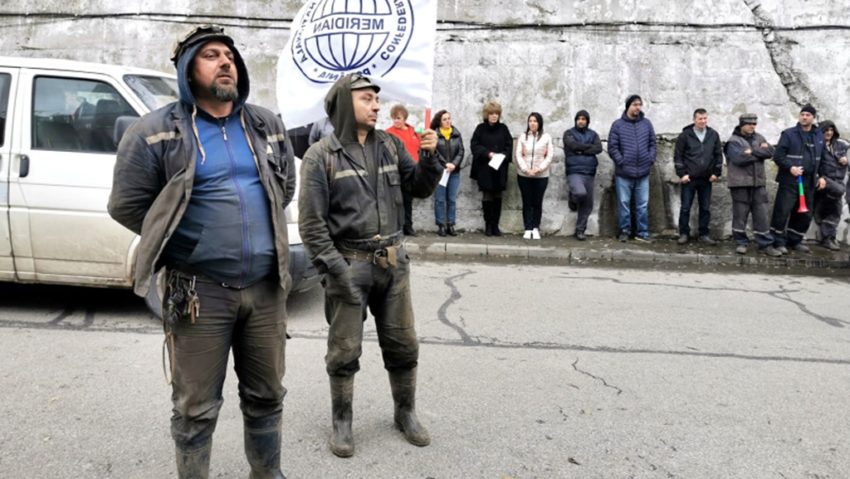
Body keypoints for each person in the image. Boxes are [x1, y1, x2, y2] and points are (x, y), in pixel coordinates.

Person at [107, 25, 295, 478]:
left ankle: (267, 474)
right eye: (211, 55)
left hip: (266, 290)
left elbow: (284, 187)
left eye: (229, 55)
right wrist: (185, 242)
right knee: (195, 408)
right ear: (187, 69)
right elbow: (126, 204)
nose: (225, 61)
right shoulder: (154, 132)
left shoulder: (265, 124)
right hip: (198, 292)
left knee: (267, 395)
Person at [298, 73, 441, 458]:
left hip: (394, 265)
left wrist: (430, 156)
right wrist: (334, 270)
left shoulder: (392, 146)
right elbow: (312, 225)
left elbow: (420, 187)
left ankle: (405, 413)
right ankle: (342, 422)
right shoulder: (320, 156)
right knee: (344, 350)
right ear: (346, 104)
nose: (377, 105)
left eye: (377, 99)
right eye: (367, 98)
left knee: (403, 344)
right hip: (349, 265)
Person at [770, 104, 827, 254]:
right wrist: (791, 168)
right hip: (789, 181)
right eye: (802, 114)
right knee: (782, 211)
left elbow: (823, 159)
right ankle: (778, 241)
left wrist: (822, 176)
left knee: (805, 213)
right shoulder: (789, 134)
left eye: (808, 115)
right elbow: (778, 156)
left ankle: (795, 240)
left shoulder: (818, 135)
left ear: (813, 118)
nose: (804, 117)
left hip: (809, 181)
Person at [725, 113, 781, 256]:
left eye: (754, 124)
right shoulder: (733, 141)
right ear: (742, 124)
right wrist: (759, 152)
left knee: (761, 214)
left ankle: (765, 244)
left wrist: (752, 151)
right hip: (740, 184)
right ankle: (741, 243)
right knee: (740, 214)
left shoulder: (759, 137)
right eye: (749, 124)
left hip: (758, 183)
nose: (752, 126)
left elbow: (770, 152)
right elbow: (739, 159)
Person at [608, 94, 657, 242]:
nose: (638, 107)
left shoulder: (646, 124)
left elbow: (652, 143)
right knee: (624, 204)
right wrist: (621, 161)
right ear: (628, 106)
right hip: (624, 172)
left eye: (639, 105)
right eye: (635, 104)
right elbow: (612, 146)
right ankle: (625, 231)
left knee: (642, 205)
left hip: (643, 171)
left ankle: (642, 232)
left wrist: (650, 159)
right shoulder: (617, 125)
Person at [673, 108, 723, 245]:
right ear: (694, 119)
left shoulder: (713, 135)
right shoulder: (685, 135)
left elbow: (718, 155)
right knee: (685, 207)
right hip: (689, 178)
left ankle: (704, 234)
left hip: (706, 178)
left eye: (705, 118)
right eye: (700, 119)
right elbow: (678, 156)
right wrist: (682, 174)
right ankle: (683, 233)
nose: (703, 121)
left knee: (705, 208)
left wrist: (716, 173)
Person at [470, 101, 513, 236]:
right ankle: (488, 224)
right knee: (487, 195)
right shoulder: (480, 128)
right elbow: (474, 145)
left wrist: (503, 155)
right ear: (486, 115)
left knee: (498, 195)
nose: (494, 116)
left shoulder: (503, 129)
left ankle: (495, 225)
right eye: (491, 114)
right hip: (485, 168)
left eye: (496, 114)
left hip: (499, 168)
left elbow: (509, 145)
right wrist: (488, 153)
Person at [562, 109, 603, 241]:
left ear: (587, 121)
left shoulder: (593, 134)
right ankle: (573, 197)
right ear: (575, 120)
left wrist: (581, 149)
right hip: (574, 171)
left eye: (583, 119)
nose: (581, 121)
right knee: (580, 193)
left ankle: (580, 230)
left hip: (590, 172)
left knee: (587, 204)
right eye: (579, 119)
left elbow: (598, 148)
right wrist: (587, 148)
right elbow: (572, 146)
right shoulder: (568, 133)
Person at [514, 112, 553, 239]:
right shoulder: (523, 137)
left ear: (539, 123)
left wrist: (538, 169)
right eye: (530, 121)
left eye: (535, 121)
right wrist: (526, 169)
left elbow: (549, 156)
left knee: (537, 201)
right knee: (527, 201)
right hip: (524, 175)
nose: (532, 123)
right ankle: (528, 227)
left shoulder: (546, 137)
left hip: (541, 176)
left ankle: (536, 227)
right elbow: (518, 155)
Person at [385, 104, 421, 236]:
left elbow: (418, 149)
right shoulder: (388, 133)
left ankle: (408, 226)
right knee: (394, 200)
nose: (396, 121)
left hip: (411, 172)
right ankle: (396, 228)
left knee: (408, 200)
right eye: (394, 118)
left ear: (405, 118)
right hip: (395, 171)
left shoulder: (414, 133)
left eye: (398, 118)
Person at [813, 120, 848, 251]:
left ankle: (828, 237)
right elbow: (812, 165)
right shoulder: (816, 146)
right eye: (825, 130)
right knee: (840, 191)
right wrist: (819, 178)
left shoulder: (840, 145)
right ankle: (828, 237)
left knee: (836, 208)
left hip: (836, 182)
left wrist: (847, 160)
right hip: (823, 181)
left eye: (831, 130)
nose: (828, 133)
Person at [430, 109, 464, 236]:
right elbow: (433, 152)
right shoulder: (435, 134)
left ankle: (450, 225)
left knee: (452, 199)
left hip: (454, 172)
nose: (447, 121)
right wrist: (445, 164)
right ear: (440, 122)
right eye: (444, 119)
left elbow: (461, 151)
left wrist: (453, 164)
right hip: (440, 172)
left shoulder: (456, 134)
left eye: (449, 118)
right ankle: (441, 226)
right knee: (439, 199)